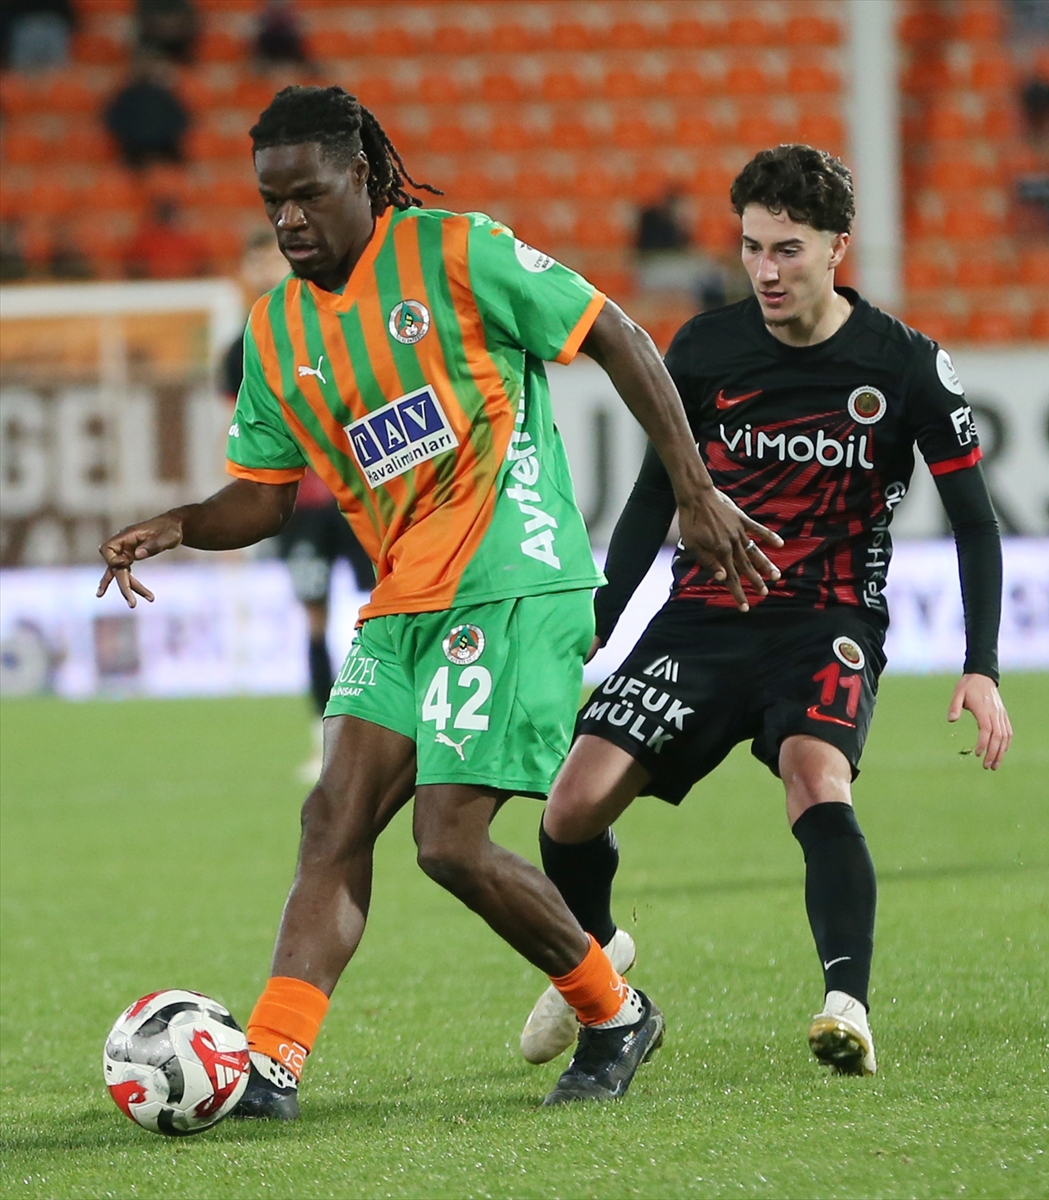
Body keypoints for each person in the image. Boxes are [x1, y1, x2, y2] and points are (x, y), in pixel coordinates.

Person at [96, 85, 782, 1116]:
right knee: (331, 820)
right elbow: (265, 497)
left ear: (360, 176)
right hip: (404, 598)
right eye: (271, 201)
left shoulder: (459, 253)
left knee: (447, 841)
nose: (287, 219)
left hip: (514, 579)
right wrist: (183, 522)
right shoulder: (277, 329)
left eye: (306, 194)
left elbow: (618, 334)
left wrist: (694, 489)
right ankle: (272, 1060)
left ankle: (614, 1013)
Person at [519, 144, 1013, 1079]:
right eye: (751, 247)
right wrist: (600, 618)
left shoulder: (905, 365)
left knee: (815, 777)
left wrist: (979, 665)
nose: (765, 270)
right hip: (704, 615)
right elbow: (652, 498)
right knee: (570, 808)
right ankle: (597, 953)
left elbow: (975, 524)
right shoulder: (702, 349)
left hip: (826, 617)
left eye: (787, 249)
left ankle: (846, 1005)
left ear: (836, 247)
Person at [221, 229, 375, 782]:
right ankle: (324, 739)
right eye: (255, 261)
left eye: (272, 258)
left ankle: (401, 728)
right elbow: (238, 434)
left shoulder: (327, 320)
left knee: (391, 608)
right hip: (301, 505)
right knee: (314, 620)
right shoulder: (238, 353)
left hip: (358, 493)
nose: (265, 270)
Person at [103, 53, 190, 170]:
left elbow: (180, 120)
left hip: (159, 149)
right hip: (136, 151)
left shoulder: (163, 96)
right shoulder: (128, 96)